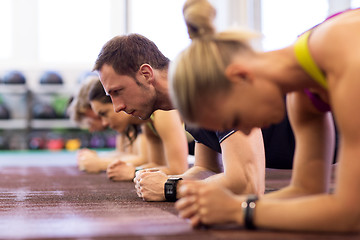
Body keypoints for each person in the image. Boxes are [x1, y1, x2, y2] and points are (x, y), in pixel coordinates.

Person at [169, 0, 355, 233]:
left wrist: (237, 211)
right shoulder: (302, 93)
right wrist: (223, 205)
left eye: (235, 120)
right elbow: (306, 191)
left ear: (240, 76)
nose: (246, 132)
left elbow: (350, 214)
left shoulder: (343, 53)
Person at [93, 33, 294, 201]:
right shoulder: (186, 98)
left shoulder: (207, 84)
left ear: (146, 74)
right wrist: (170, 181)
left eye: (117, 92)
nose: (117, 107)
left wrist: (171, 188)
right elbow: (206, 168)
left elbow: (248, 184)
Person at [89, 79, 189, 180]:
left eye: (104, 114)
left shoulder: (162, 112)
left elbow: (179, 171)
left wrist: (135, 172)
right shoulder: (147, 123)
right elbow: (157, 164)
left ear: (118, 101)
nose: (104, 123)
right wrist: (135, 169)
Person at [67, 75, 130, 173]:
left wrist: (100, 162)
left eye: (90, 122)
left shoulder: (129, 122)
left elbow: (144, 159)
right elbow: (123, 153)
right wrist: (97, 159)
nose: (91, 129)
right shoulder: (123, 126)